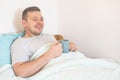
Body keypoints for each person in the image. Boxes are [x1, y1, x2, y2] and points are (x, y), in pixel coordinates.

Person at [11, 6, 78, 78]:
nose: (39, 22)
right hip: (60, 72)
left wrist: (70, 48)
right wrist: (49, 55)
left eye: (41, 19)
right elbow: (20, 72)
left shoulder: (49, 36)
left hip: (74, 64)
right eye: (34, 19)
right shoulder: (20, 43)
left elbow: (60, 53)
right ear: (24, 23)